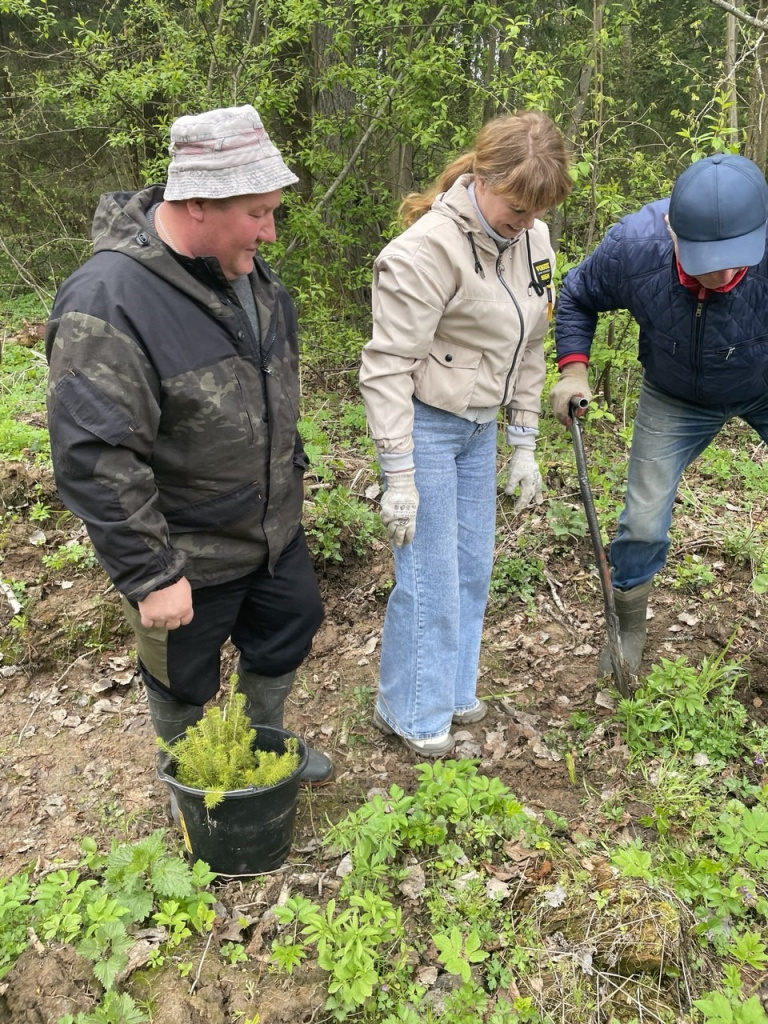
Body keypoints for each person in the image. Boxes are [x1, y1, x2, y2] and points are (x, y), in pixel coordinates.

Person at [45, 105, 333, 802]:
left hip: (271, 531)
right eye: (257, 214)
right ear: (198, 202)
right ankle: (193, 786)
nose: (270, 232)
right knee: (181, 675)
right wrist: (150, 573)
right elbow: (96, 456)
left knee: (290, 628)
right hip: (185, 551)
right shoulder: (109, 300)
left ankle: (262, 753)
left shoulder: (252, 278)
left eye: (272, 212)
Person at [359, 111, 572, 756]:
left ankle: (450, 690)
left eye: (538, 211)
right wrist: (398, 474)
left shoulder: (534, 243)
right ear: (483, 177)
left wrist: (525, 442)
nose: (526, 222)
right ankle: (412, 713)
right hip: (426, 425)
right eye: (517, 207)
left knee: (473, 568)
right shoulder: (425, 251)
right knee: (429, 575)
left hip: (481, 427)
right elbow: (387, 367)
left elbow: (530, 345)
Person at [550, 152, 768, 678]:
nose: (723, 273)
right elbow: (577, 295)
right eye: (706, 258)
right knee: (643, 521)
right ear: (672, 229)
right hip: (674, 394)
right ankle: (627, 625)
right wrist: (574, 371)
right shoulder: (634, 247)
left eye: (736, 257)